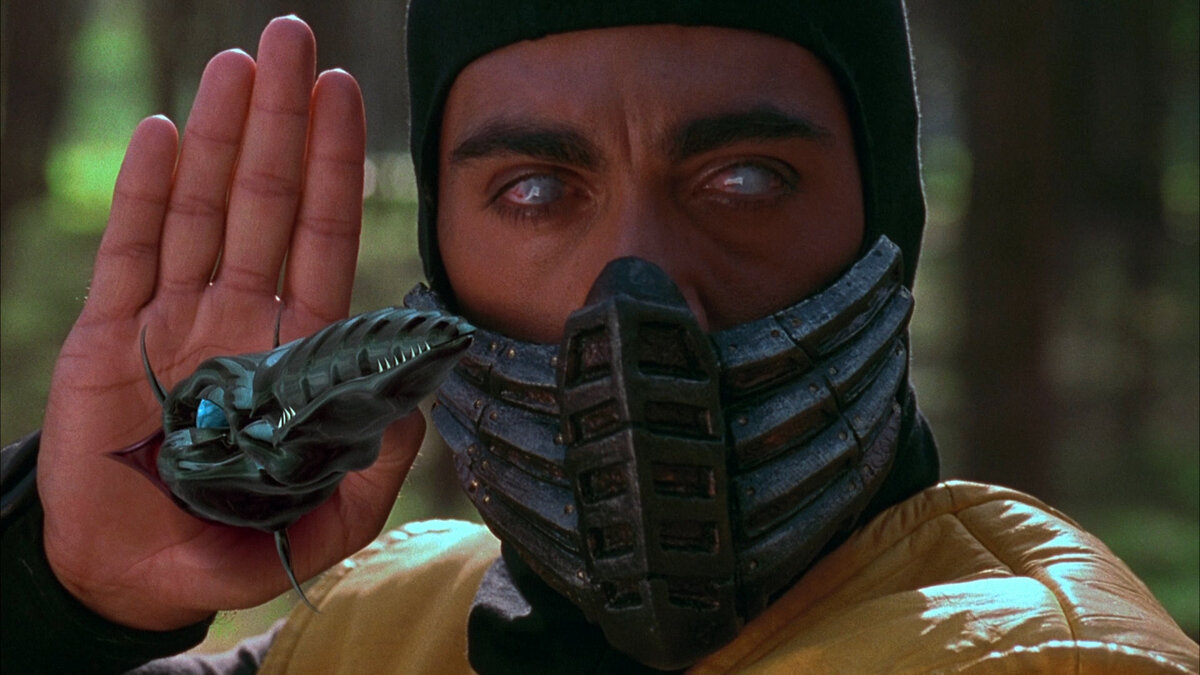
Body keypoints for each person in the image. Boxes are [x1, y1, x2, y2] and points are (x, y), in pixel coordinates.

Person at [2, 2, 1197, 673]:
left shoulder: (1031, 658)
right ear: (443, 262)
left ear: (884, 218)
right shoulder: (387, 624)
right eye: (534, 191)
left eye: (745, 178)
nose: (636, 290)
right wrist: (63, 590)